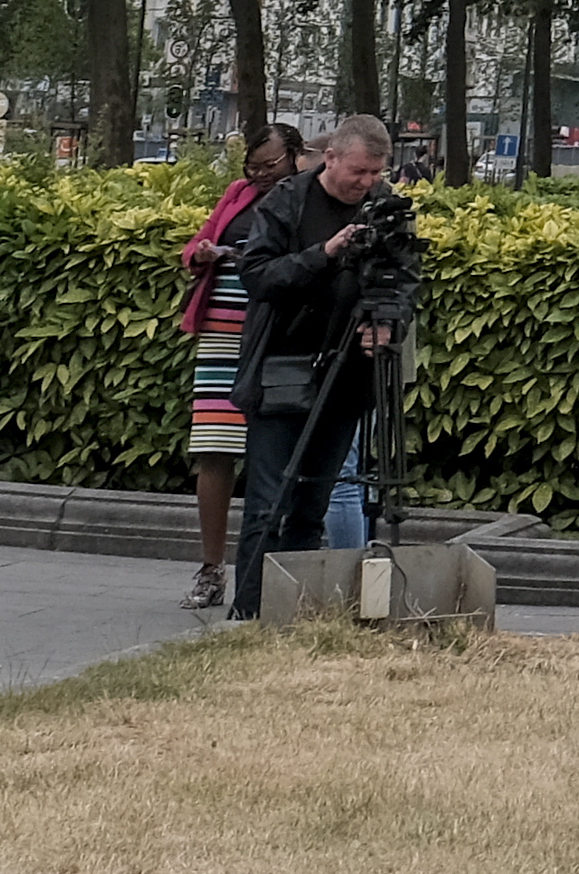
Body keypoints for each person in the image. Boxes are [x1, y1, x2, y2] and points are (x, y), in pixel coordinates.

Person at [220, 110, 421, 621]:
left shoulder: (384, 208)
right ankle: (248, 613)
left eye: (376, 173)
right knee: (269, 503)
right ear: (329, 157)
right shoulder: (286, 200)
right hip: (281, 371)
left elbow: (405, 279)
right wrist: (324, 254)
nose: (367, 183)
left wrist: (388, 324)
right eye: (359, 172)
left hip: (349, 376)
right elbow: (257, 276)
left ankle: (296, 612)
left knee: (313, 504)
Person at [176, 121, 303, 612]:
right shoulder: (238, 192)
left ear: (293, 155)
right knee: (213, 447)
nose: (259, 175)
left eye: (269, 165)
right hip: (222, 334)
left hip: (272, 333)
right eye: (252, 167)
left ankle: (272, 569)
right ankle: (211, 570)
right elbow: (195, 244)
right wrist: (203, 254)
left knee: (270, 451)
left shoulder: (304, 195)